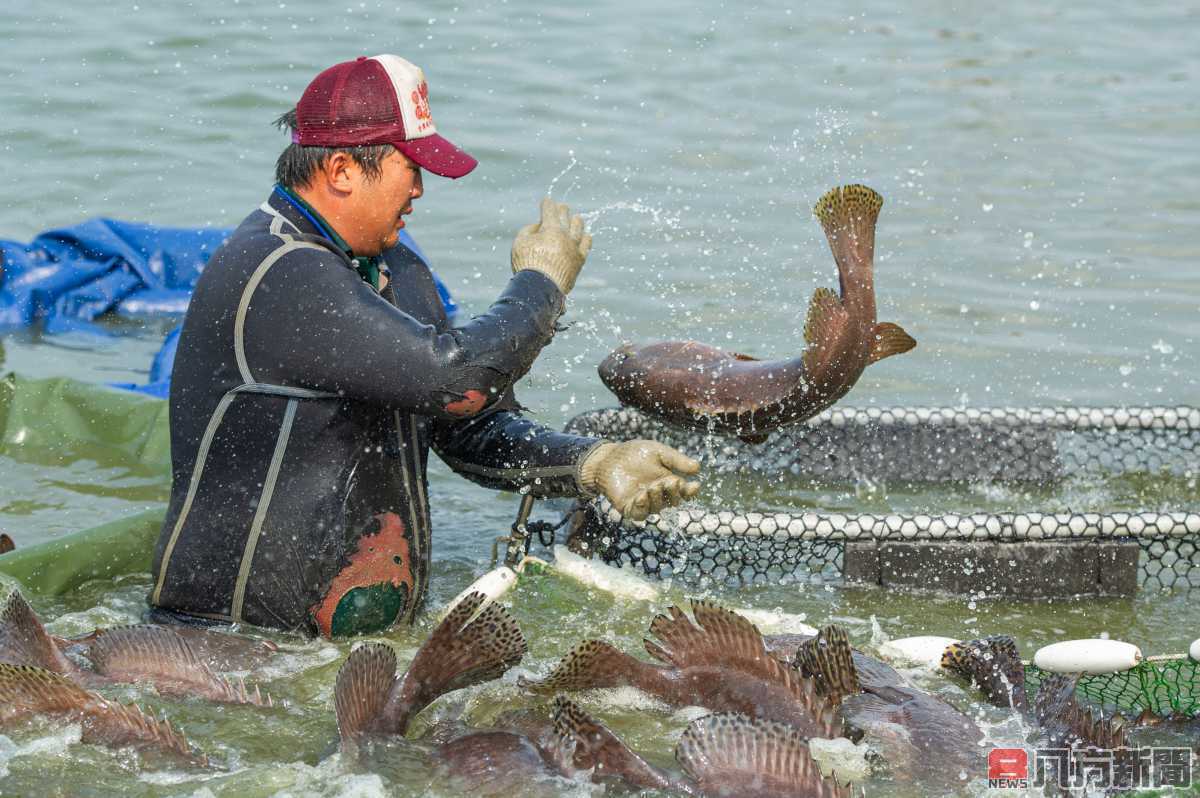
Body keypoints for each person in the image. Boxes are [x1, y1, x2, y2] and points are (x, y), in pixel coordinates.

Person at [148, 54, 701, 637]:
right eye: (409, 167)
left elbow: (466, 423)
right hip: (227, 643)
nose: (419, 188)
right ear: (341, 169)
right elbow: (455, 378)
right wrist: (540, 285)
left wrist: (592, 462)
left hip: (343, 652)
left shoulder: (396, 268)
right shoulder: (278, 269)